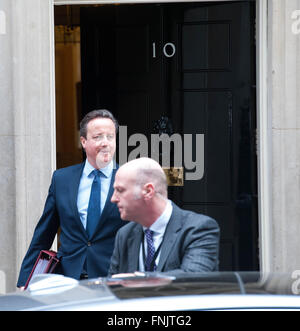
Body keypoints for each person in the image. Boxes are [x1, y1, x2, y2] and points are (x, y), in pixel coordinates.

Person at [17, 109, 125, 287]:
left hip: (113, 279)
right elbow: (44, 232)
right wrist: (25, 279)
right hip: (68, 280)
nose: (106, 143)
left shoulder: (129, 178)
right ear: (83, 141)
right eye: (98, 137)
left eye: (110, 136)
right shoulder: (62, 179)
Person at [109, 157, 220, 276]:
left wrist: (139, 279)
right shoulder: (125, 234)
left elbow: (193, 279)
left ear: (148, 191)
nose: (113, 199)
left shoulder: (198, 229)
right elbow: (113, 284)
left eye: (120, 190)